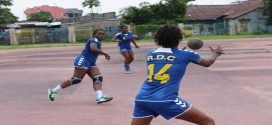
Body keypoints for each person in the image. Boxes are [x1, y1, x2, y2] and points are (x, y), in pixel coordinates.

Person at [131, 25, 224, 125]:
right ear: (178, 39)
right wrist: (216, 53)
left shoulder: (151, 53)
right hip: (166, 100)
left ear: (157, 38)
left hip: (142, 98)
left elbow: (167, 58)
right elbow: (208, 62)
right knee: (208, 122)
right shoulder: (186, 54)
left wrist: (178, 51)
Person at [48, 28, 113, 104]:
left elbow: (94, 51)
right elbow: (93, 48)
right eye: (99, 34)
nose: (101, 35)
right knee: (76, 79)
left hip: (91, 63)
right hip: (83, 61)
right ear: (95, 34)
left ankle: (99, 97)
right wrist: (105, 53)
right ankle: (52, 91)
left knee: (98, 78)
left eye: (103, 34)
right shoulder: (93, 40)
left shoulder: (98, 42)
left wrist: (103, 54)